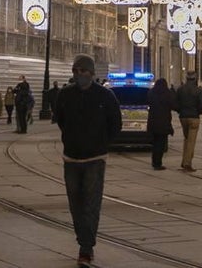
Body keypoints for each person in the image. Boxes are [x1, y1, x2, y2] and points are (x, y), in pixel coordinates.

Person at [53, 54, 121, 267]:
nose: (78, 74)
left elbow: (115, 124)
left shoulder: (105, 96)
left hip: (95, 158)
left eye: (82, 71)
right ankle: (83, 240)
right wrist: (71, 138)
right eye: (75, 70)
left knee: (91, 203)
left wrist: (101, 143)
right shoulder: (65, 94)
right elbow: (61, 120)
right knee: (75, 204)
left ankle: (86, 247)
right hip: (71, 157)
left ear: (91, 73)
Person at [174, 70, 202, 171]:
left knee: (187, 139)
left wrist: (180, 111)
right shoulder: (198, 90)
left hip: (183, 117)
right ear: (195, 78)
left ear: (186, 78)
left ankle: (184, 161)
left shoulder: (180, 89)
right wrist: (199, 112)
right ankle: (187, 163)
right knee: (191, 141)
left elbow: (176, 103)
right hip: (194, 117)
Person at [146, 77, 176, 170]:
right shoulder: (167, 94)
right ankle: (158, 163)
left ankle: (154, 162)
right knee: (161, 144)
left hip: (153, 122)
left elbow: (147, 102)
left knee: (155, 143)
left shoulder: (151, 93)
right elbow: (173, 105)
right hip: (164, 122)